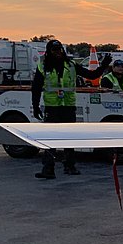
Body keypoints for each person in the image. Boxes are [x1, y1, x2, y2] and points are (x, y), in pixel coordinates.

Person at [31, 39, 111, 179]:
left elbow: (92, 76)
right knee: (50, 139)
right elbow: (36, 88)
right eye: (54, 50)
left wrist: (104, 65)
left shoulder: (71, 65)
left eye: (59, 49)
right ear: (49, 52)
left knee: (69, 137)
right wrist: (35, 106)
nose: (58, 52)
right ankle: (48, 169)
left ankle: (70, 166)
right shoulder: (43, 66)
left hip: (68, 107)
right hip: (52, 107)